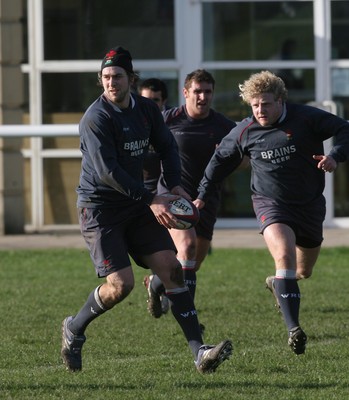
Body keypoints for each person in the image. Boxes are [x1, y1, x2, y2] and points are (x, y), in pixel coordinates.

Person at [60, 46, 232, 374]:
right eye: (106, 77)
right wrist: (151, 199)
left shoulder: (146, 110)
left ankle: (200, 353)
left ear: (130, 79)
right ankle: (74, 327)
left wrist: (175, 185)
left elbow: (167, 146)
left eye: (118, 77)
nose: (111, 82)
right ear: (101, 81)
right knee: (120, 286)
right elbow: (107, 172)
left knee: (172, 267)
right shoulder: (96, 118)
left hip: (136, 204)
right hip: (100, 210)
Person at [194, 70, 349, 355]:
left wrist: (334, 156)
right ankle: (294, 329)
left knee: (303, 270)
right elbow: (219, 161)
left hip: (309, 204)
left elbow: (345, 129)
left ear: (280, 100)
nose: (260, 111)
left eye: (265, 104)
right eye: (254, 105)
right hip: (270, 203)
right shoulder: (244, 130)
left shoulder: (306, 117)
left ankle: (277, 283)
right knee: (284, 256)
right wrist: (203, 194)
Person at [143, 69, 236, 322]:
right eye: (197, 91)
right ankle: (189, 318)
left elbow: (245, 160)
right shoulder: (167, 119)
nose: (202, 97)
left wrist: (229, 157)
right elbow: (141, 143)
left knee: (192, 263)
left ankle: (156, 283)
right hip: (173, 195)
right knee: (187, 246)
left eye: (207, 92)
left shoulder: (224, 126)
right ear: (185, 93)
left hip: (207, 199)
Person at [139, 78, 169, 194]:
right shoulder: (129, 124)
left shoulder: (174, 124)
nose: (150, 105)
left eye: (155, 100)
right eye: (146, 100)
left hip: (168, 192)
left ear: (164, 101)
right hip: (139, 193)